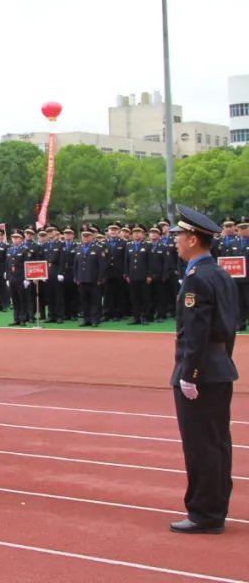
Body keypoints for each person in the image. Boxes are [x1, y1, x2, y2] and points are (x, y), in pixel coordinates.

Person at [168, 205, 239, 534]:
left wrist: (189, 374)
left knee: (201, 445)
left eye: (180, 236)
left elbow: (196, 333)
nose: (177, 242)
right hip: (220, 367)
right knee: (218, 442)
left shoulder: (197, 279)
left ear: (194, 239)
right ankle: (215, 507)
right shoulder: (221, 273)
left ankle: (204, 513)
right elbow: (231, 327)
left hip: (202, 372)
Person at [75, 228, 105, 327]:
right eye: (84, 236)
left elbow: (102, 265)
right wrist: (76, 277)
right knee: (84, 300)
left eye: (88, 236)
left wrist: (100, 278)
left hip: (94, 279)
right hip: (82, 279)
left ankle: (95, 319)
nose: (86, 238)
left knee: (95, 301)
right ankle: (86, 319)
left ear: (92, 237)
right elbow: (76, 265)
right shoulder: (78, 248)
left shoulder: (98, 248)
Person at [6, 231, 29, 327]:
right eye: (13, 237)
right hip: (12, 278)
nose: (15, 239)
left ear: (22, 239)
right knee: (14, 299)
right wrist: (7, 277)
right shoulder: (9, 250)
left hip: (21, 278)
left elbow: (27, 265)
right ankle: (16, 318)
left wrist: (26, 278)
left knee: (22, 299)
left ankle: (23, 318)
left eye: (17, 237)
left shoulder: (25, 250)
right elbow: (7, 265)